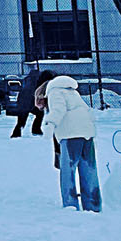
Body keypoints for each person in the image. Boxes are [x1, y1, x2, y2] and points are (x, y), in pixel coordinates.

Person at [39, 75, 100, 212]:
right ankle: (93, 205)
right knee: (89, 171)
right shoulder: (73, 92)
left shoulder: (54, 92)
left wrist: (49, 125)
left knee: (68, 172)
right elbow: (88, 112)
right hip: (87, 133)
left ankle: (70, 205)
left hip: (70, 134)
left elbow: (58, 110)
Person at [8, 65, 51, 138]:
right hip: (30, 101)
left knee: (22, 118)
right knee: (38, 114)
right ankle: (35, 130)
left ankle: (17, 132)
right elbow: (37, 93)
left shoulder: (27, 79)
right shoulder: (39, 82)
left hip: (23, 101)